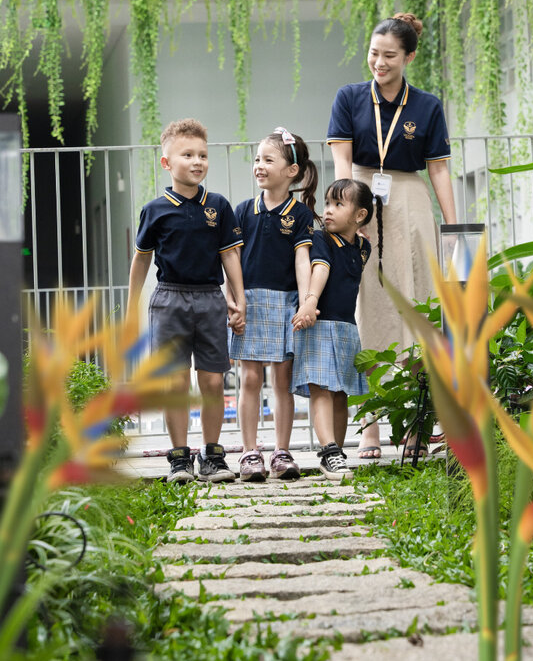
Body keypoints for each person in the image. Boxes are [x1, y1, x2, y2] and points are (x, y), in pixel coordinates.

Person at [327, 12, 457, 459]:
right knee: (368, 304)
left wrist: (452, 224)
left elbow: (438, 167)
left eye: (388, 56)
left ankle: (417, 423)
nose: (378, 63)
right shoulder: (348, 98)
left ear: (409, 57)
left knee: (417, 303)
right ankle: (370, 427)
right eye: (373, 53)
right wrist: (349, 211)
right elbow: (342, 162)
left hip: (409, 199)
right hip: (362, 193)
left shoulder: (426, 105)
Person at [126, 118, 246, 485]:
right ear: (167, 163)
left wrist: (238, 299)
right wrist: (132, 306)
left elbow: (229, 256)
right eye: (188, 154)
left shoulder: (220, 207)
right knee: (175, 384)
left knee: (212, 382)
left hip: (210, 299)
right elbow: (142, 258)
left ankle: (212, 455)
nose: (197, 161)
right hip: (169, 300)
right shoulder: (155, 210)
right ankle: (179, 459)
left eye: (203, 155)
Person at [228, 127, 317, 483]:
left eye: (268, 159)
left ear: (291, 170)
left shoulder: (301, 215)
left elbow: (302, 261)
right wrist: (233, 300)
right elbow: (230, 258)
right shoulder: (242, 211)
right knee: (249, 378)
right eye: (257, 159)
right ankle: (250, 453)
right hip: (248, 302)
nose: (259, 166)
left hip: (286, 303)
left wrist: (307, 302)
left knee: (282, 380)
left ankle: (282, 452)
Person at [291, 179, 373, 479]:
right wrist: (310, 302)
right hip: (319, 324)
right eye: (327, 203)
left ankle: (336, 452)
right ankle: (328, 450)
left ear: (360, 215)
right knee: (321, 390)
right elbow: (321, 267)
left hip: (346, 328)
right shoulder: (321, 238)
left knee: (341, 394)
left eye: (338, 205)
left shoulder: (364, 246)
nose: (328, 211)